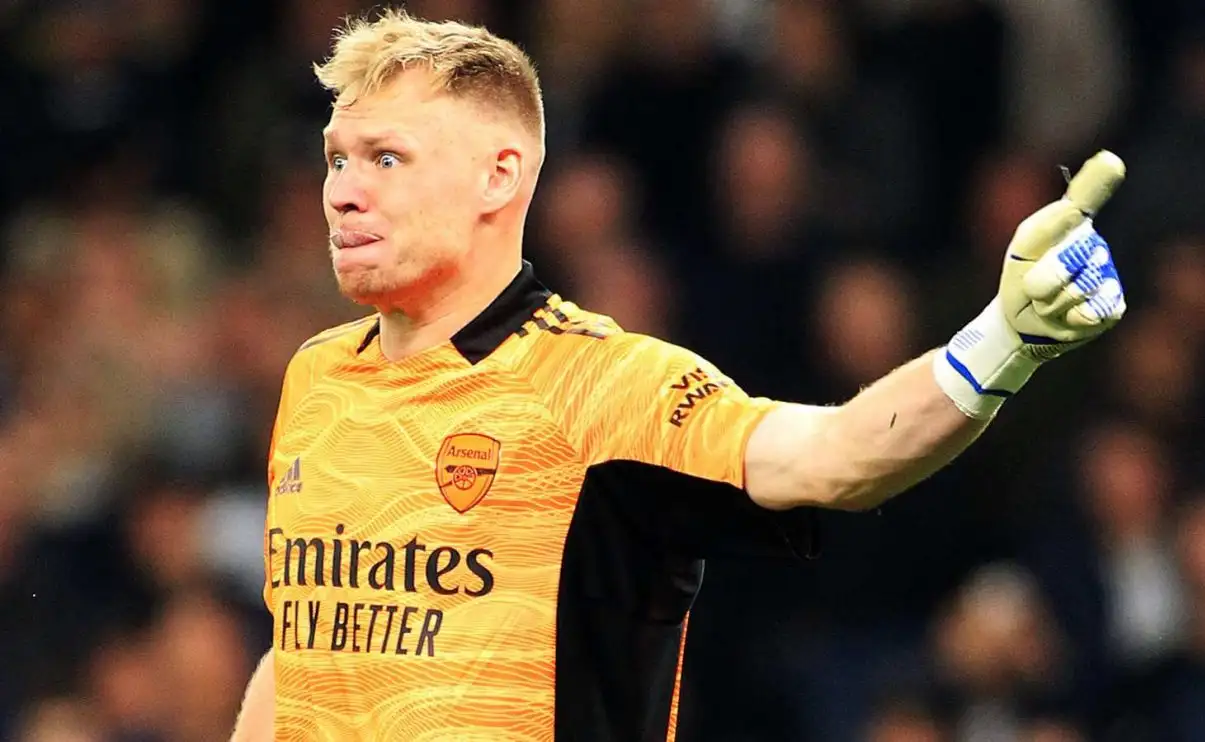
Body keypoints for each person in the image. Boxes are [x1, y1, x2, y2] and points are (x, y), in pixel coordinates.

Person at [230, 9, 1128, 741]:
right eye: (337, 158)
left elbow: (834, 455)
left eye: (386, 158)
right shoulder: (317, 380)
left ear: (498, 178)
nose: (343, 190)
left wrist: (1002, 336)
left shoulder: (602, 388)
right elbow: (303, 648)